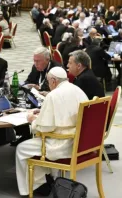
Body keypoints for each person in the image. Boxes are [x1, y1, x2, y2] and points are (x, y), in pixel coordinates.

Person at [16, 67, 88, 197]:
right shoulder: (78, 90)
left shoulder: (53, 95)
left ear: (54, 81)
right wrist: (43, 111)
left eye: (49, 81)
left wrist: (32, 120)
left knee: (22, 148)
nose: (49, 85)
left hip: (61, 144)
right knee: (34, 146)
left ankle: (29, 189)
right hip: (78, 141)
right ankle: (45, 181)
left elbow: (43, 128)